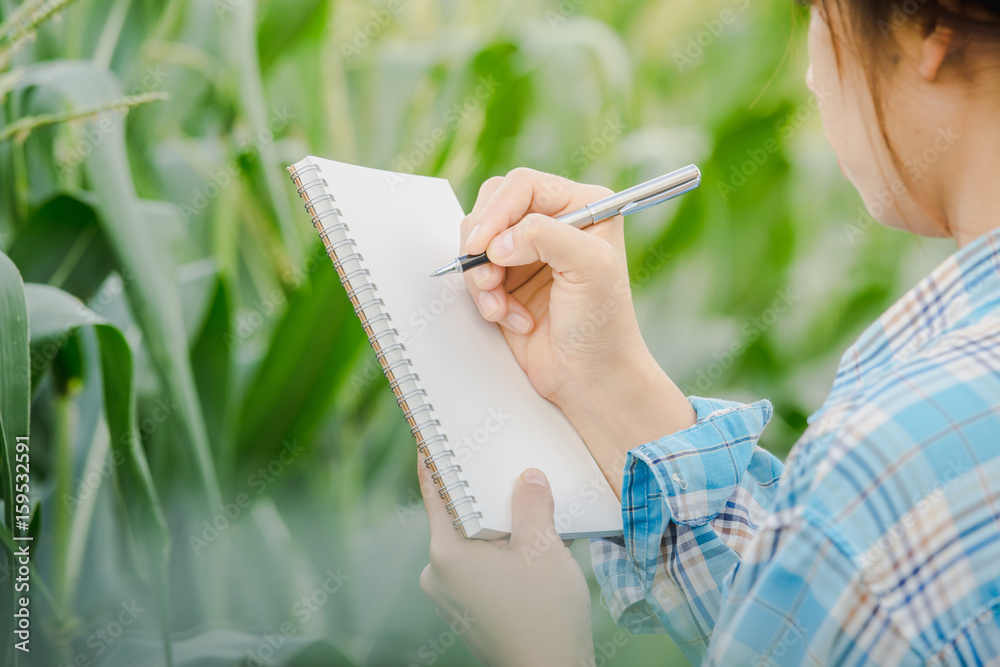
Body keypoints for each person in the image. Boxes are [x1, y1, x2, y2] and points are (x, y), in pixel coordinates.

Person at [416, 0, 1000, 664]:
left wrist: (541, 649)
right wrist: (606, 380)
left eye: (817, 12)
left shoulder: (887, 466)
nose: (812, 75)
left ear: (930, 30)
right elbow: (809, 616)